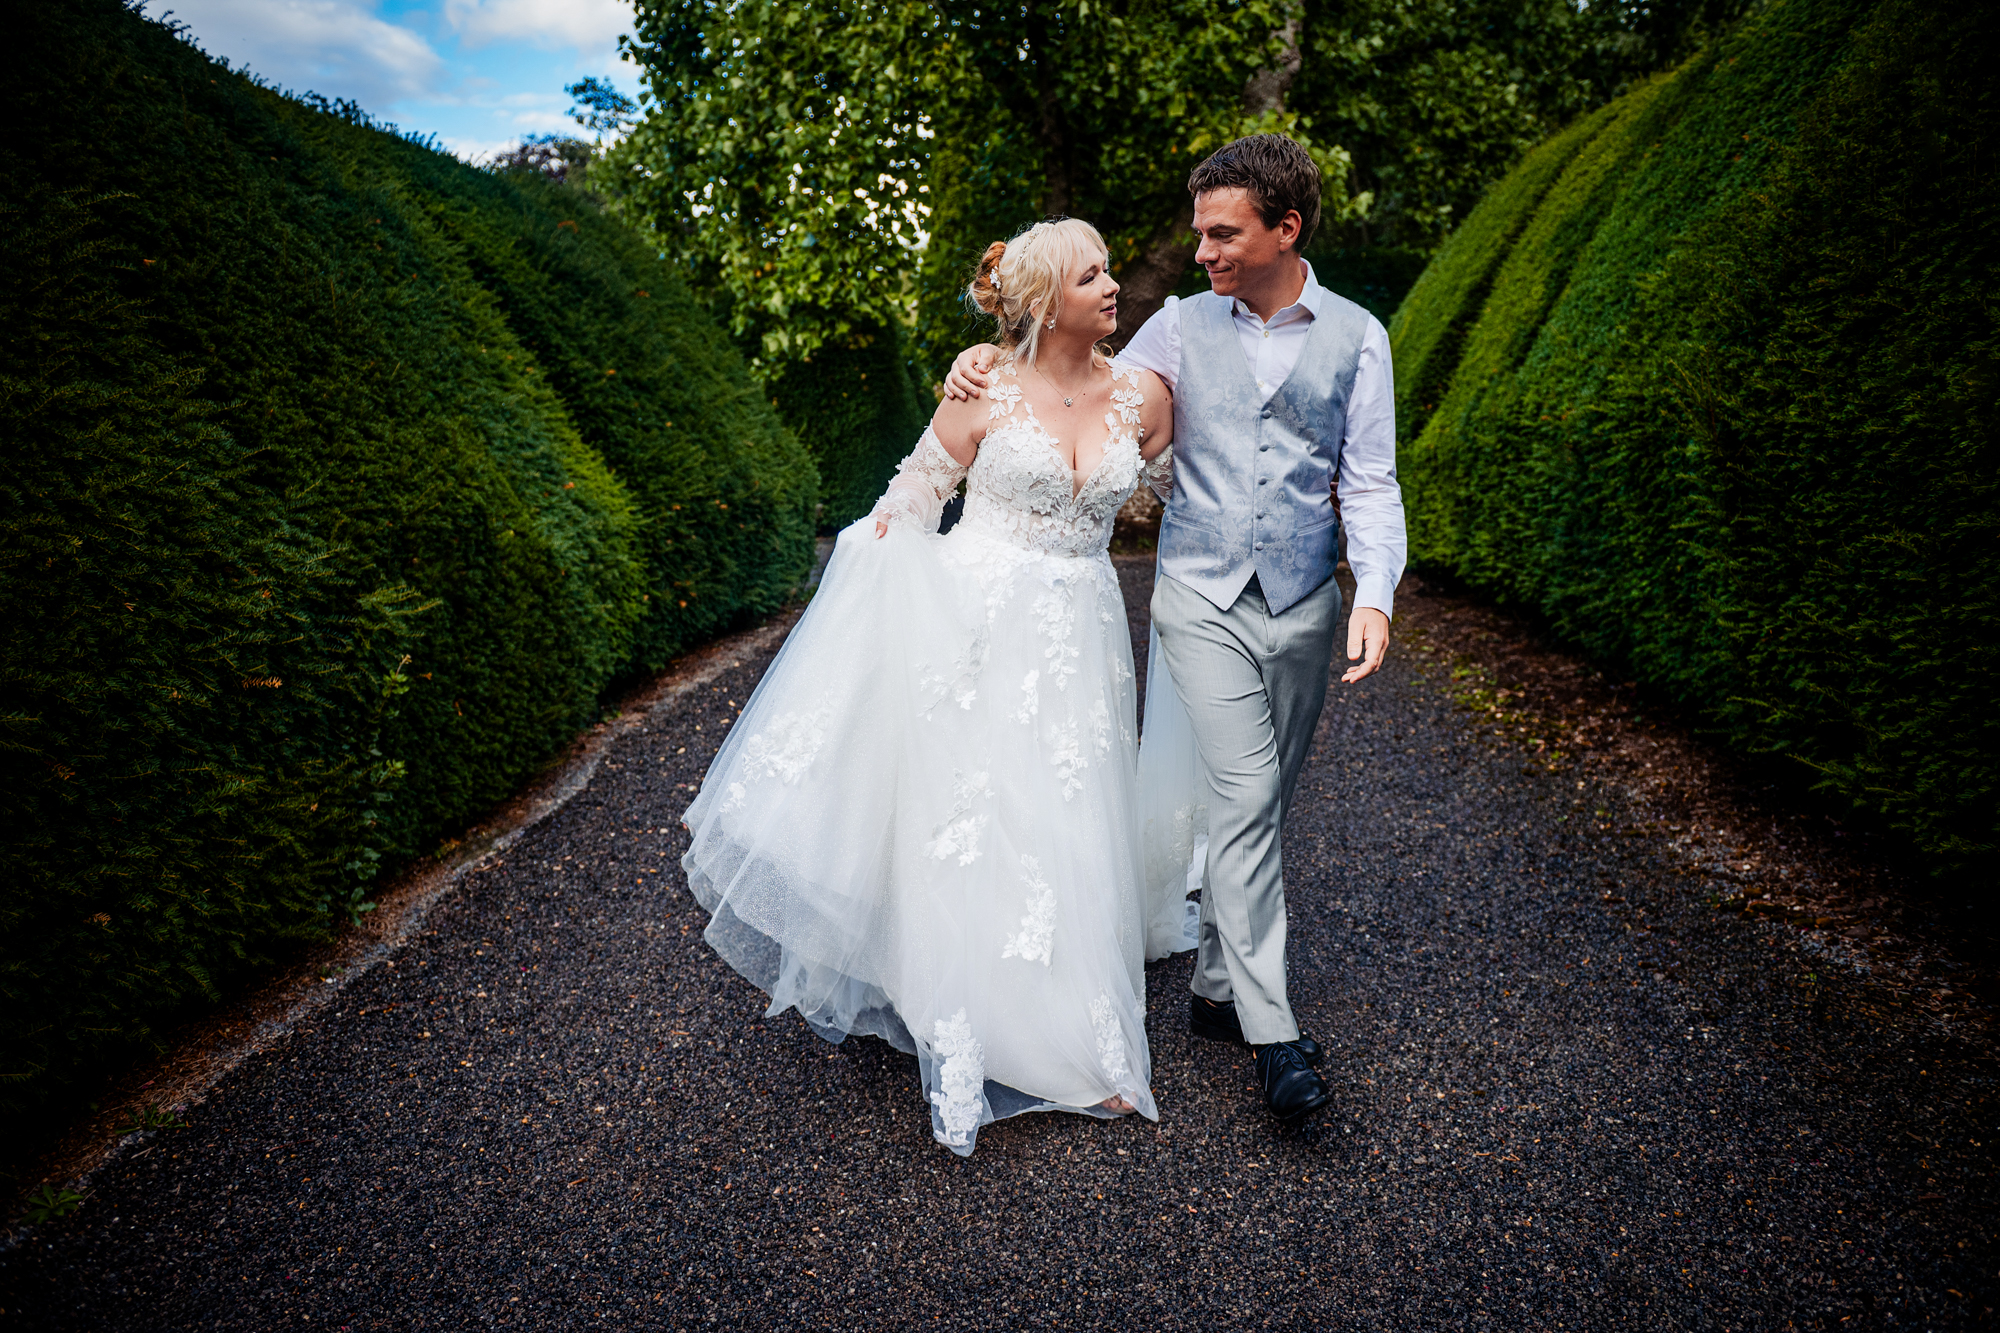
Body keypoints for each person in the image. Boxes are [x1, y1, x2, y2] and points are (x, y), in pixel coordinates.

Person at [680, 218, 1188, 1156]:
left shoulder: (1143, 395)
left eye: (1111, 268)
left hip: (1082, 631)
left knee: (1068, 816)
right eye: (1092, 275)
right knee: (980, 816)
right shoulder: (984, 383)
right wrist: (879, 563)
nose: (1114, 285)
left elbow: (1165, 490)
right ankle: (974, 1005)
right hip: (974, 623)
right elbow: (920, 488)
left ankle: (1077, 1024)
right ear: (1044, 302)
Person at [945, 134, 1407, 1128]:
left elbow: (1368, 479)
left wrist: (1372, 592)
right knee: (1240, 791)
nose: (1199, 250)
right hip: (1196, 595)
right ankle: (1273, 1033)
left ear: (1284, 230)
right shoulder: (1174, 331)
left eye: (1220, 232)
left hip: (1303, 606)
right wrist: (986, 360)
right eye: (1199, 232)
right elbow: (1079, 377)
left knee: (1264, 801)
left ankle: (1210, 986)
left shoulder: (1359, 338)